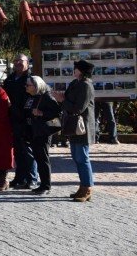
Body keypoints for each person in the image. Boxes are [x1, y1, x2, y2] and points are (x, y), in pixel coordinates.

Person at [55, 59, 96, 202]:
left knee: (82, 158)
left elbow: (79, 108)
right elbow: (67, 101)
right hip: (72, 126)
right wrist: (61, 98)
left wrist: (62, 100)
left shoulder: (86, 86)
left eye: (76, 68)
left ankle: (88, 188)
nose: (73, 70)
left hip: (82, 127)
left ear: (82, 71)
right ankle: (82, 186)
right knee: (76, 158)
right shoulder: (74, 83)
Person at [4, 54, 39, 189]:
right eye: (16, 60)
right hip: (13, 119)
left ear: (27, 63)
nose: (18, 63)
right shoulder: (10, 79)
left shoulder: (31, 79)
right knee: (18, 151)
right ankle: (19, 178)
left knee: (28, 151)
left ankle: (32, 178)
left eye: (21, 60)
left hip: (25, 119)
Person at [23, 76, 61, 195]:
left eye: (28, 85)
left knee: (43, 158)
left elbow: (57, 113)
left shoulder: (47, 96)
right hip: (34, 131)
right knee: (38, 158)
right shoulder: (33, 96)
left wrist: (41, 113)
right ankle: (42, 184)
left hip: (43, 132)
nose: (26, 87)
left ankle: (46, 185)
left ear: (36, 86)